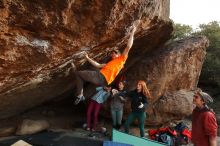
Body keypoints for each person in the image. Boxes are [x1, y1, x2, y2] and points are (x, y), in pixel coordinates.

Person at [72, 20, 140, 105]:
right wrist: (87, 58)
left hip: (101, 78)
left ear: (119, 55)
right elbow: (97, 64)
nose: (112, 54)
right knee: (80, 75)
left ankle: (80, 94)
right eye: (112, 53)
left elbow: (128, 46)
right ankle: (80, 95)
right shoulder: (110, 63)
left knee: (78, 74)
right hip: (101, 80)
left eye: (114, 52)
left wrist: (133, 31)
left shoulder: (121, 60)